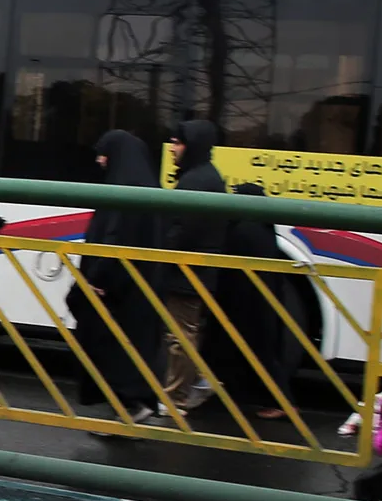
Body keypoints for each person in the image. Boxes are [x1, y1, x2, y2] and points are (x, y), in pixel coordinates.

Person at [71, 131, 165, 425]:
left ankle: (129, 407)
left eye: (105, 154)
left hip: (116, 289)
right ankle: (133, 405)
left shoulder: (125, 190)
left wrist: (98, 278)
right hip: (137, 286)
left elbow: (115, 239)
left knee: (110, 345)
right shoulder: (146, 187)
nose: (100, 160)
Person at [158, 120, 229, 415]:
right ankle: (198, 381)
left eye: (177, 143)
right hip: (194, 271)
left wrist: (159, 245)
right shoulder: (204, 175)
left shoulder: (196, 181)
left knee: (180, 337)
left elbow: (183, 229)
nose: (172, 149)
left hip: (188, 272)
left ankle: (176, 399)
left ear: (192, 145)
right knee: (183, 333)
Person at [208, 182, 291, 421]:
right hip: (262, 301)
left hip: (249, 303)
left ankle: (282, 403)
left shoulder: (244, 230)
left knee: (259, 351)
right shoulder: (262, 227)